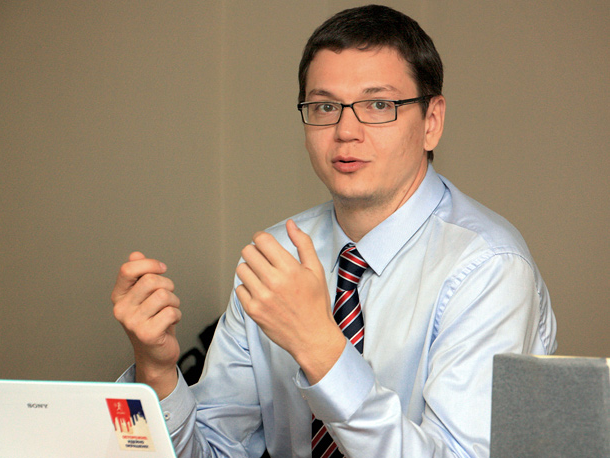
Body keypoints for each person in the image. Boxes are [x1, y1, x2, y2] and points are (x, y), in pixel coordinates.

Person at [111, 4, 557, 457]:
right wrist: (158, 372)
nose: (345, 131)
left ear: (431, 122)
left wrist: (320, 348)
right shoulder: (276, 259)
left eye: (378, 105)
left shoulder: (488, 268)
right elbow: (214, 451)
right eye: (326, 107)